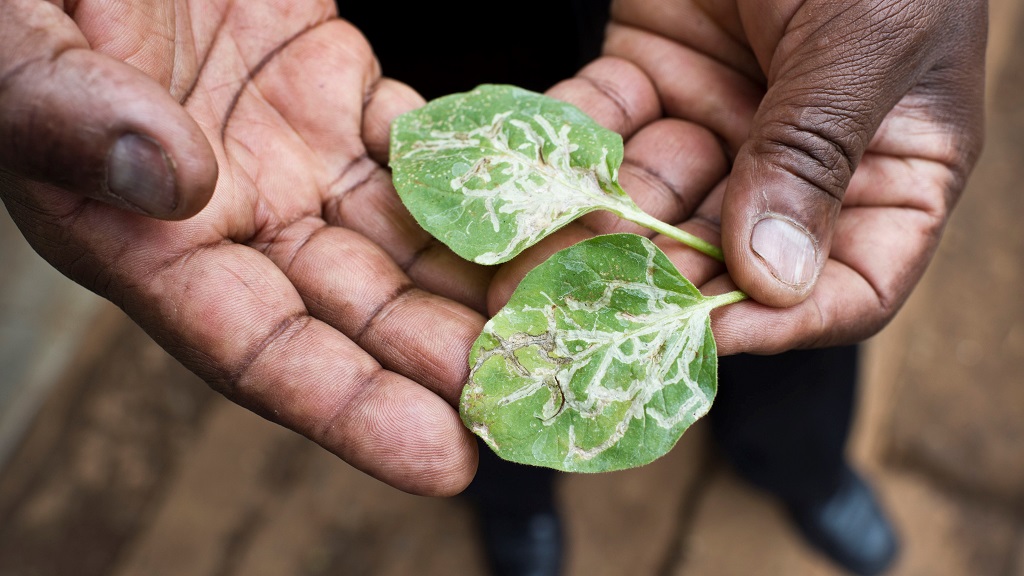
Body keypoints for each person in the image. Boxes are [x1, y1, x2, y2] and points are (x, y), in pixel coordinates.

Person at [0, 0, 986, 575]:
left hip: (714, 31)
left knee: (768, 272)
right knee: (459, 330)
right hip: (384, 25)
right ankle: (513, 495)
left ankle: (800, 464)